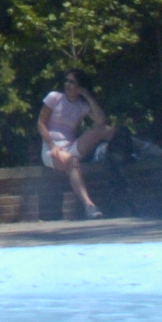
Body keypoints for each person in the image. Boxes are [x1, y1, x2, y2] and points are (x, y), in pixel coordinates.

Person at [36, 71, 109, 217]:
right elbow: (40, 123)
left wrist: (87, 96)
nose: (67, 85)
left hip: (71, 146)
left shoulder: (82, 105)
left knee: (105, 130)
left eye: (72, 82)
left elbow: (101, 120)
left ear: (80, 86)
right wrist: (52, 145)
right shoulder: (55, 97)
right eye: (66, 81)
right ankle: (89, 206)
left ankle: (142, 148)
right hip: (52, 149)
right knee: (72, 162)